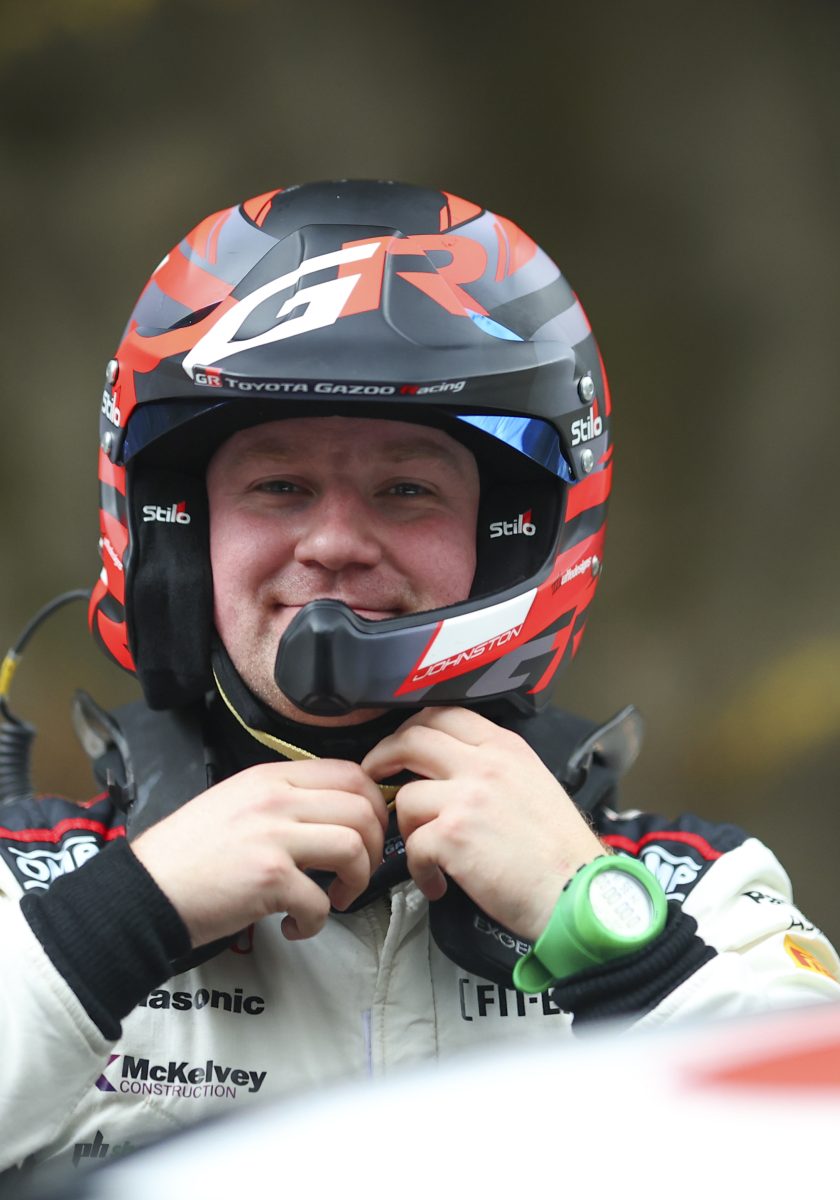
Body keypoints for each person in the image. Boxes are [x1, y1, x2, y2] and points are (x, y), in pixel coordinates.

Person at [1, 180, 838, 1176]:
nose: (334, 543)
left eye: (406, 490)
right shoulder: (29, 885)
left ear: (510, 534)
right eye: (278, 485)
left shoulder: (696, 893)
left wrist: (611, 938)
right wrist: (122, 920)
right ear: (178, 530)